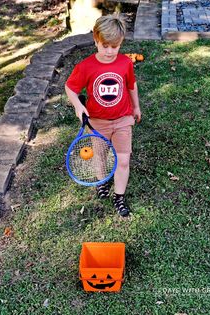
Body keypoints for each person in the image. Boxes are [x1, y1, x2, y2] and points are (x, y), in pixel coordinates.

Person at [65, 15, 141, 217]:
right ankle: (101, 181)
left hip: (123, 119)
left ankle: (119, 196)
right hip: (97, 122)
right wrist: (78, 107)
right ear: (96, 40)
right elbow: (70, 88)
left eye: (114, 46)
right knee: (99, 155)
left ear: (121, 43)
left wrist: (136, 107)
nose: (109, 51)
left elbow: (131, 86)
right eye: (104, 45)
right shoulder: (86, 66)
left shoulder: (125, 63)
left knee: (123, 160)